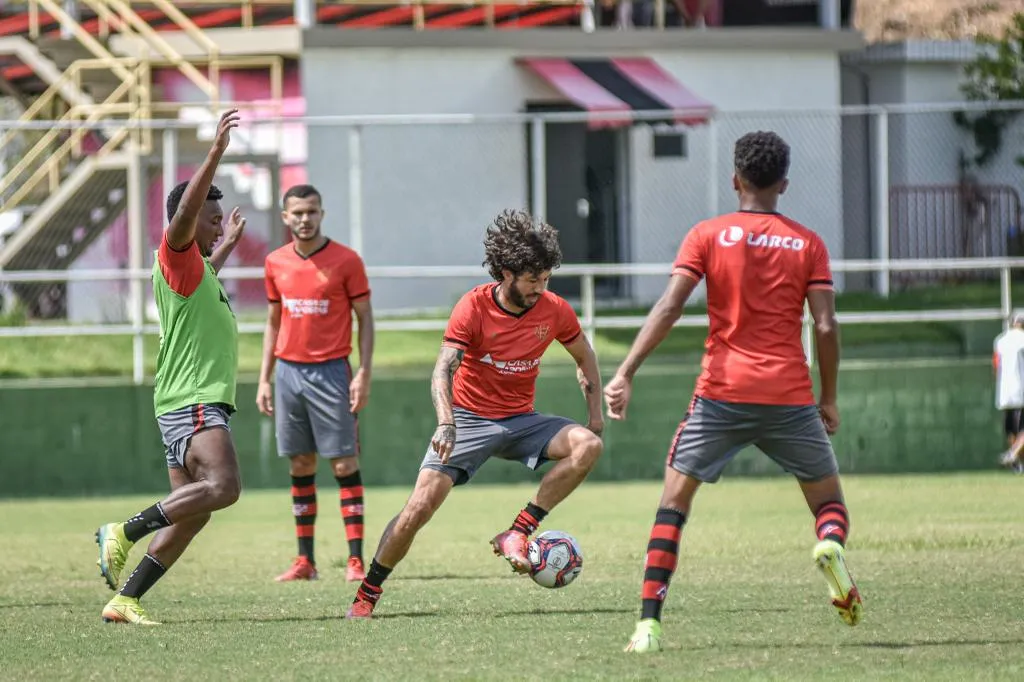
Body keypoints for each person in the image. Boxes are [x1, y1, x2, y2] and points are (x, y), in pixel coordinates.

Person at [605, 131, 863, 653]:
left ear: (735, 179)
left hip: (721, 392)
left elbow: (670, 307)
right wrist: (828, 397)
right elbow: (827, 325)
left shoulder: (707, 234)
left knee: (673, 504)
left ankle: (648, 626)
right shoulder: (808, 243)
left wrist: (626, 370)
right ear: (784, 184)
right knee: (828, 502)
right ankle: (830, 545)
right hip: (789, 395)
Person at [345, 209, 605, 619]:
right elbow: (443, 368)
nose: (541, 287)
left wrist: (596, 418)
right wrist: (447, 423)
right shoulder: (474, 307)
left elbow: (584, 354)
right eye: (532, 279)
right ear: (506, 272)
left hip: (522, 420)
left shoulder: (554, 310)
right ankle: (367, 594)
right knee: (418, 509)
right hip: (467, 419)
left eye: (546, 278)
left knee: (587, 446)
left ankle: (518, 531)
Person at [95, 109, 246, 625]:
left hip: (183, 400)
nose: (216, 224)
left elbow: (204, 274)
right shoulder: (176, 253)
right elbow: (184, 220)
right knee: (223, 489)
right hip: (194, 400)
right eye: (211, 217)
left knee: (194, 511)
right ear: (187, 216)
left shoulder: (196, 271)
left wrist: (226, 244)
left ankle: (126, 598)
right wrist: (215, 153)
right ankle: (124, 530)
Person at [257, 184, 375, 583]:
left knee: (343, 462)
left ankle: (356, 559)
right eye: (297, 213)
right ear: (285, 217)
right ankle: (304, 561)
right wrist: (265, 379)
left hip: (332, 372)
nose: (304, 219)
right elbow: (274, 322)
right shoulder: (275, 262)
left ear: (321, 214)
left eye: (311, 212)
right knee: (301, 462)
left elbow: (365, 318)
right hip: (289, 373)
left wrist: (363, 371)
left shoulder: (347, 261)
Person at [994, 312, 1024, 473]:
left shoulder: (1000, 340)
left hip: (1004, 392)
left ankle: (1017, 463)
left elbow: (996, 365)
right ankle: (1013, 455)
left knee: (1011, 429)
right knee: (1021, 429)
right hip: (1021, 391)